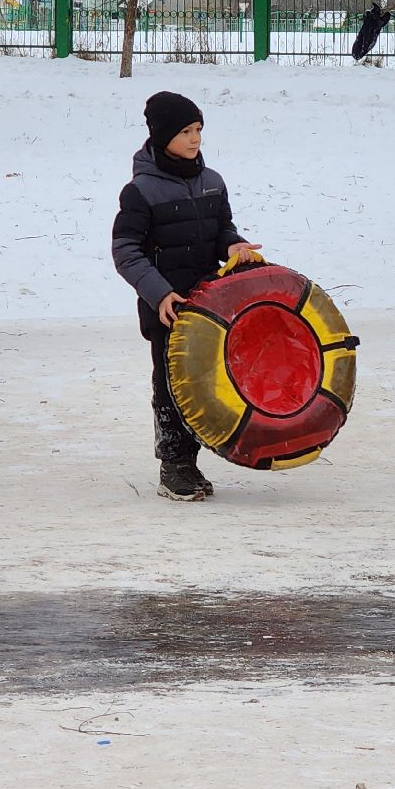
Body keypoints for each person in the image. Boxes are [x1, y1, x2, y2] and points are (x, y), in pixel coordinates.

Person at [112, 91, 262, 502]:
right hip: (168, 311)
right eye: (184, 131)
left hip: (211, 307)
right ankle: (174, 465)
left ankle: (194, 459)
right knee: (171, 386)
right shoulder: (140, 191)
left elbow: (222, 231)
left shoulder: (212, 182)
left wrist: (233, 246)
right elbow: (126, 251)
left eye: (198, 129)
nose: (195, 138)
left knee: (205, 384)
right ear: (162, 136)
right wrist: (159, 294)